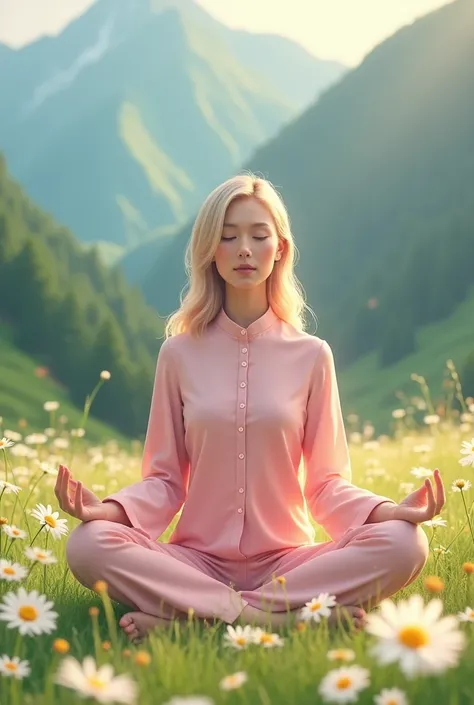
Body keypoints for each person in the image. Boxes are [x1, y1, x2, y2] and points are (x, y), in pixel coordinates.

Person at [57, 174, 444, 645]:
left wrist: (386, 511)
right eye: (228, 235)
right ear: (209, 250)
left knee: (406, 544)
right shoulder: (177, 355)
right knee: (88, 544)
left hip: (289, 563)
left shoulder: (312, 355)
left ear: (279, 248)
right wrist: (111, 512)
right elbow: (164, 480)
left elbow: (325, 484)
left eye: (258, 236)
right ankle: (285, 619)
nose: (243, 248)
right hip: (195, 562)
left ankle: (195, 618)